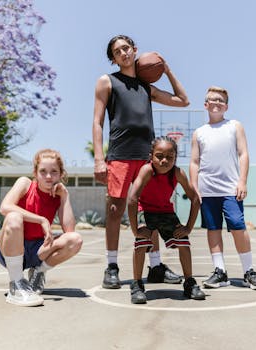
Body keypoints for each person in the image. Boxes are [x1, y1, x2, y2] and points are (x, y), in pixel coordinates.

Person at [92, 34, 189, 289]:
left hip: (148, 159)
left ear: (134, 50)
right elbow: (97, 121)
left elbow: (183, 100)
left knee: (152, 213)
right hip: (120, 156)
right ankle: (112, 266)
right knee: (115, 211)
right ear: (113, 58)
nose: (123, 53)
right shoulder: (107, 81)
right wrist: (99, 159)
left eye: (126, 48)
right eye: (117, 51)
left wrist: (166, 69)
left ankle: (155, 265)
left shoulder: (147, 87)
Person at [189, 86, 256, 291]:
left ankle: (249, 271)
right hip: (208, 190)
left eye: (220, 100)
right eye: (211, 99)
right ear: (205, 104)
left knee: (237, 227)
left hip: (231, 189)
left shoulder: (234, 126)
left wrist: (242, 181)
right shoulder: (199, 133)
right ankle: (220, 271)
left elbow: (243, 154)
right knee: (213, 229)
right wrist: (194, 185)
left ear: (226, 106)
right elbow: (195, 162)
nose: (216, 102)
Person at [0, 149, 83, 306]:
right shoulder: (25, 184)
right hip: (11, 249)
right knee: (13, 217)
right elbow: (5, 207)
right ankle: (16, 283)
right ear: (35, 173)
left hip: (38, 251)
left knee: (75, 240)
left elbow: (69, 230)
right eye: (43, 171)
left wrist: (65, 196)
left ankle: (39, 272)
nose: (48, 176)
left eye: (54, 172)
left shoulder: (58, 195)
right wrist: (41, 219)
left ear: (61, 174)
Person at [127, 136, 206, 304]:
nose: (164, 160)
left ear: (175, 158)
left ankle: (189, 283)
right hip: (145, 210)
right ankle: (137, 285)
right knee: (141, 241)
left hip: (165, 212)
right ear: (151, 156)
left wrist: (188, 227)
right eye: (159, 156)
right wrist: (135, 229)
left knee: (183, 240)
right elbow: (133, 199)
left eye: (170, 157)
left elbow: (195, 199)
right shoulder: (147, 170)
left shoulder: (177, 173)